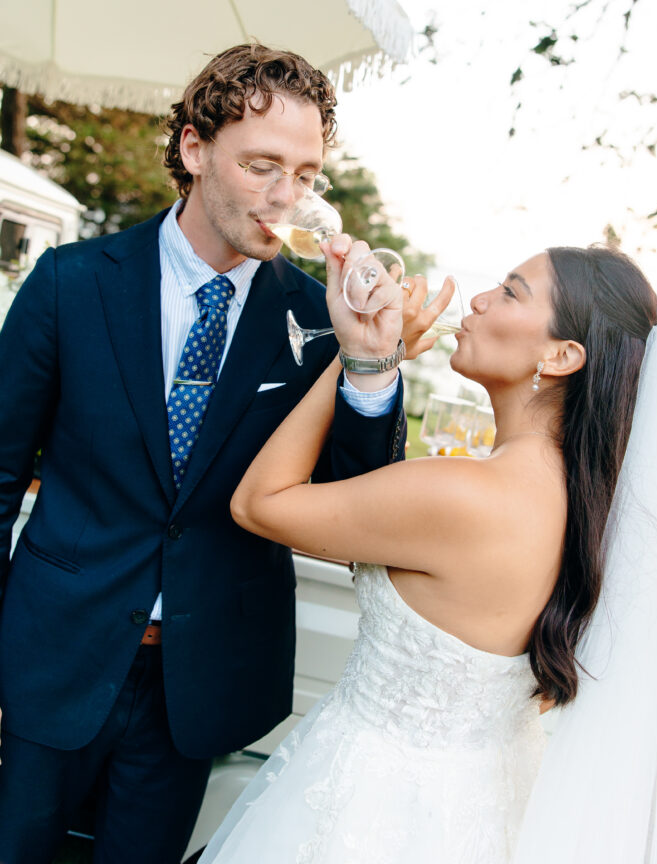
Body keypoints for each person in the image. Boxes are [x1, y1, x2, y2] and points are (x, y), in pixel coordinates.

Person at [0, 45, 408, 864]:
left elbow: (354, 504)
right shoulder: (69, 282)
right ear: (193, 149)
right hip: (52, 656)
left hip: (203, 682)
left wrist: (368, 364)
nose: (286, 196)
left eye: (305, 174)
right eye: (262, 166)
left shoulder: (320, 318)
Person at [198, 239, 657, 864]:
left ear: (561, 355)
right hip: (481, 814)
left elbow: (258, 503)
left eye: (509, 293)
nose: (477, 300)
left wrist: (355, 353)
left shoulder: (463, 494)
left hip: (365, 812)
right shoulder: (592, 514)